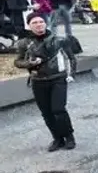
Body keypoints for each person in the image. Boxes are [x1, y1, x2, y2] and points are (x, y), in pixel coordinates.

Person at [14, 12, 78, 151]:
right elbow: (18, 61)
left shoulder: (59, 39)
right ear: (29, 26)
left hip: (58, 79)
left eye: (41, 22)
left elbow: (72, 58)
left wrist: (71, 74)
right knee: (47, 113)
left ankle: (69, 136)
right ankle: (57, 138)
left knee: (58, 109)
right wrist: (29, 63)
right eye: (34, 23)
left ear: (46, 23)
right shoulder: (24, 43)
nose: (38, 25)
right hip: (38, 80)